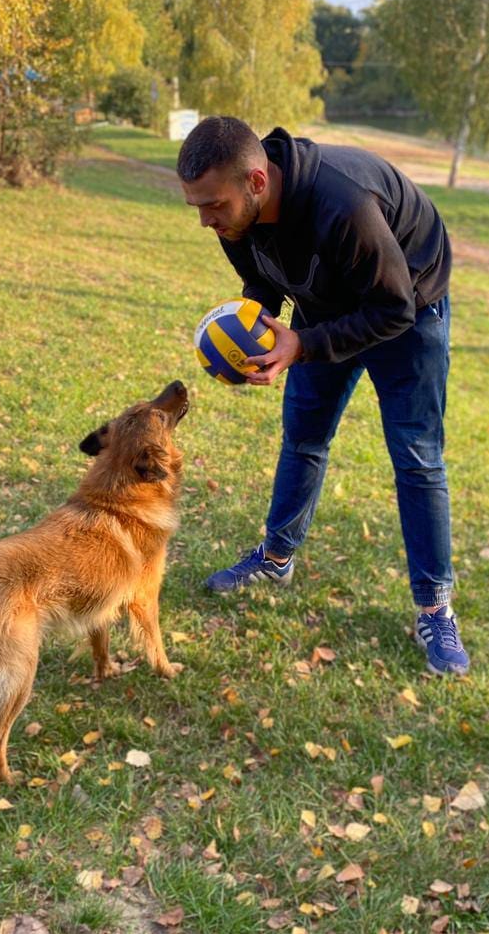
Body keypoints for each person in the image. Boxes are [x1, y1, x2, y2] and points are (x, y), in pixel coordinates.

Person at [177, 115, 468, 676]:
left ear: (257, 183)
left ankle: (435, 607)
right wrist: (258, 315)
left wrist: (303, 345)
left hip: (407, 312)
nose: (206, 220)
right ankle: (276, 558)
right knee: (304, 438)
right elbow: (260, 272)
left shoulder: (344, 202)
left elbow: (392, 307)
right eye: (197, 207)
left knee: (417, 459)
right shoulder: (236, 218)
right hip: (323, 308)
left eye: (213, 205)